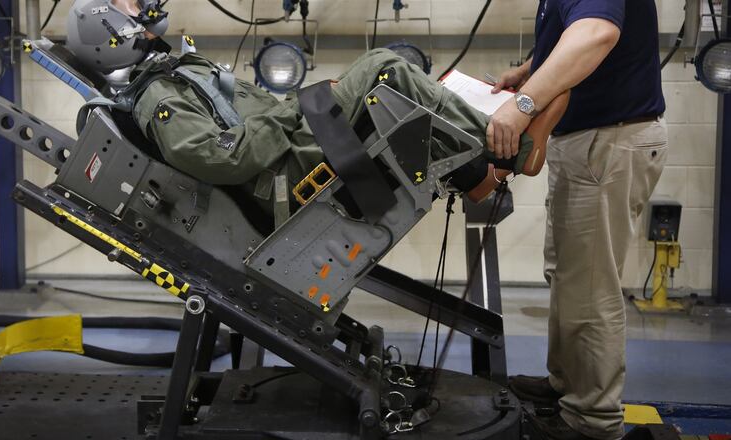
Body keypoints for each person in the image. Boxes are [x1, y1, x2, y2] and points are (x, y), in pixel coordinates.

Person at [66, 0, 545, 219]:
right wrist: (296, 108)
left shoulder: (172, 72)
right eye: (129, 6)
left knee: (397, 95)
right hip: (288, 169)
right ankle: (514, 147)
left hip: (293, 141)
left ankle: (480, 170)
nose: (143, 7)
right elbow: (221, 158)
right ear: (110, 34)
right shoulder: (158, 98)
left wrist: (302, 104)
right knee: (385, 69)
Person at [488, 1, 667, 439]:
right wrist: (531, 69)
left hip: (607, 141)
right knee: (569, 277)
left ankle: (592, 420)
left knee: (589, 288)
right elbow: (575, 30)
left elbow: (596, 34)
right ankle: (565, 385)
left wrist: (525, 103)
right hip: (587, 142)